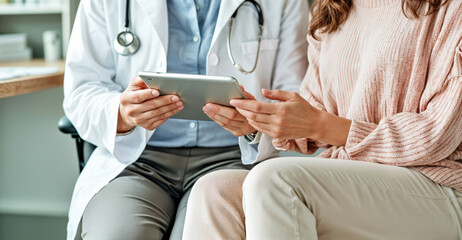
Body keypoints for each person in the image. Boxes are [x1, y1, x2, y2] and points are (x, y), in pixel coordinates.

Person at [182, 0, 462, 239]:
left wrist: (317, 124)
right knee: (214, 189)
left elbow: (437, 135)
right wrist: (263, 122)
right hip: (354, 176)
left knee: (274, 181)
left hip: (436, 183)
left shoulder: (452, 8)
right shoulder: (333, 11)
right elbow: (315, 111)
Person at [63, 0, 309, 239]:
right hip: (138, 162)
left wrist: (255, 125)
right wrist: (121, 114)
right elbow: (82, 90)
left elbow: (294, 97)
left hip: (232, 160)